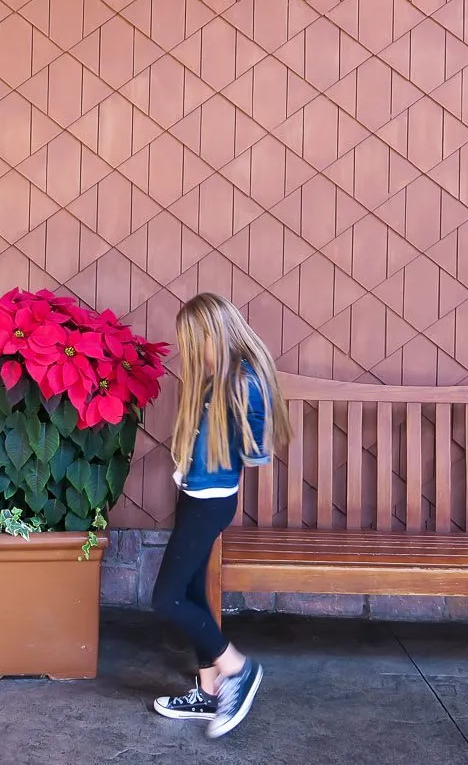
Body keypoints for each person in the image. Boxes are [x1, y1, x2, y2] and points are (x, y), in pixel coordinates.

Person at [150, 292, 293, 739]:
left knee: (167, 598)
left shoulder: (242, 381)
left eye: (194, 343)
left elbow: (257, 451)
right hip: (196, 496)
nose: (191, 354)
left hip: (211, 502)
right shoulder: (216, 380)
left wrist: (245, 434)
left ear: (214, 336)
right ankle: (209, 688)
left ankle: (236, 668)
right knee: (190, 592)